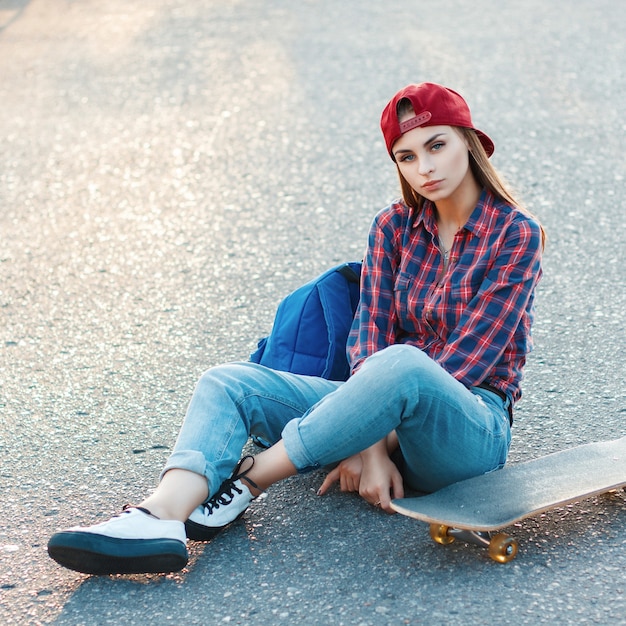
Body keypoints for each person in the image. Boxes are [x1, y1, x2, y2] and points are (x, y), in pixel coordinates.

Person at [48, 82, 545, 575]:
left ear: (470, 142)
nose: (425, 168)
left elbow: (468, 361)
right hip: (369, 401)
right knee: (228, 381)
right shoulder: (393, 227)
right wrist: (366, 446)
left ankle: (251, 480)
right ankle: (160, 515)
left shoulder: (517, 233)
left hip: (464, 430)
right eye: (406, 157)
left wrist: (372, 434)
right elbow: (368, 334)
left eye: (437, 146)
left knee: (404, 364)